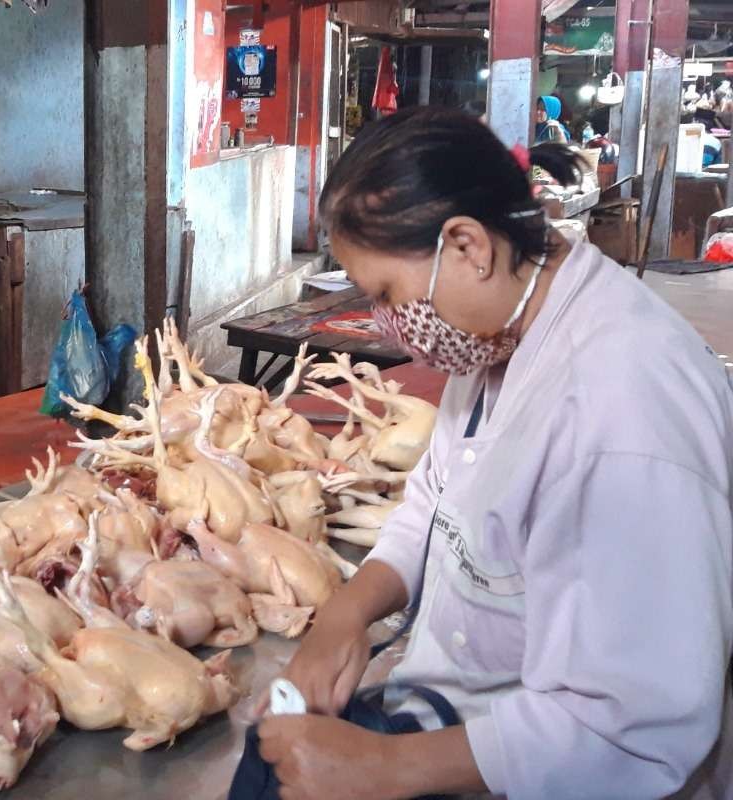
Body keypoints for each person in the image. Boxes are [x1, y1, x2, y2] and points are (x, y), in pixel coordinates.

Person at [256, 108, 733, 798]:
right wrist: (348, 610)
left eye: (387, 295)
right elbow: (434, 499)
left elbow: (630, 725)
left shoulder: (628, 409)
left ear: (469, 247)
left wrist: (385, 769)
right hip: (461, 719)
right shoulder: (497, 337)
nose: (389, 322)